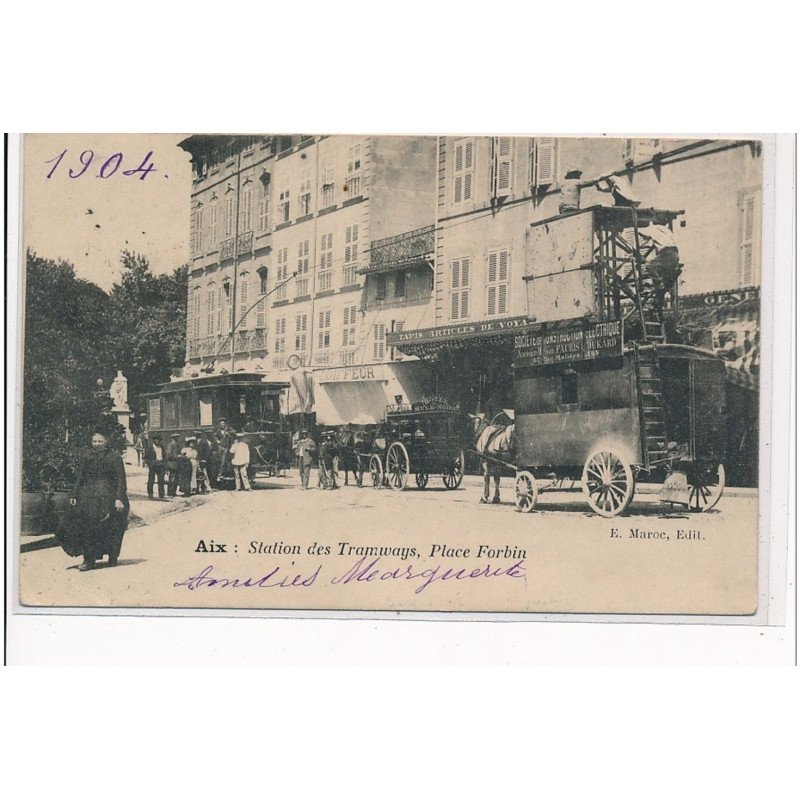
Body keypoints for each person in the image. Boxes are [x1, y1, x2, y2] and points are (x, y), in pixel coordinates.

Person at [67, 432, 130, 571]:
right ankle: (89, 560)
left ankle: (112, 556)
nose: (97, 444)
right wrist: (74, 494)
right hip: (89, 497)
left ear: (106, 441)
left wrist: (119, 499)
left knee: (112, 527)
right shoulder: (87, 456)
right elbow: (80, 477)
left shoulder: (114, 457)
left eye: (100, 441)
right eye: (94, 441)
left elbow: (121, 481)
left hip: (109, 496)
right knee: (88, 528)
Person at [144, 434, 168, 500]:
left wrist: (164, 463)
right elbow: (146, 458)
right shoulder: (150, 448)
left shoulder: (162, 447)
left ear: (160, 440)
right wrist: (151, 463)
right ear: (154, 440)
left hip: (161, 465)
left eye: (158, 439)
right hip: (153, 466)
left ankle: (161, 494)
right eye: (155, 439)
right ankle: (150, 493)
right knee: (151, 480)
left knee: (161, 480)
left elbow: (164, 456)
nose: (156, 441)